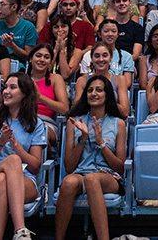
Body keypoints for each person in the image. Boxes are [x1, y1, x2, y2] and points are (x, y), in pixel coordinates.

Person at [0, 73, 47, 240]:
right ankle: (20, 230)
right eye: (5, 87)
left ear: (25, 94)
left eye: (12, 87)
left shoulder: (36, 124)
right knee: (10, 163)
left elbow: (35, 166)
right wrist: (0, 142)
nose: (6, 91)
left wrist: (17, 148)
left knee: (2, 179)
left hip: (24, 180)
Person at [55, 75, 128, 240]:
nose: (93, 93)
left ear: (107, 94)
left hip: (109, 176)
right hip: (81, 172)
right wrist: (83, 139)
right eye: (89, 90)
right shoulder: (75, 122)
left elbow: (120, 167)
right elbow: (69, 167)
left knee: (91, 179)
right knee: (68, 182)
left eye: (99, 90)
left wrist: (101, 142)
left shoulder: (118, 123)